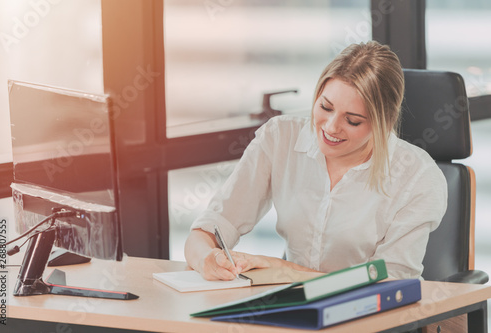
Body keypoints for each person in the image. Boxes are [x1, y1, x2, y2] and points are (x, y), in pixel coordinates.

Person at [184, 41, 448, 281]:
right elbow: (211, 226)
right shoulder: (280, 138)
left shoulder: (418, 176)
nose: (331, 128)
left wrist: (283, 269)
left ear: (385, 122)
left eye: (352, 120)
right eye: (325, 107)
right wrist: (207, 258)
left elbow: (389, 283)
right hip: (295, 305)